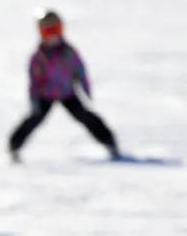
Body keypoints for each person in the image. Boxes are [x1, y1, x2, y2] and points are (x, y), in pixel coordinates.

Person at [8, 10, 121, 163]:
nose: (52, 36)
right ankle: (14, 146)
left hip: (67, 93)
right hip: (45, 95)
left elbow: (80, 71)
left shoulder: (69, 52)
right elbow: (34, 81)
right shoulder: (38, 57)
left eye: (56, 30)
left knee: (84, 115)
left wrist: (85, 89)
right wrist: (34, 99)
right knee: (35, 118)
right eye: (48, 31)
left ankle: (109, 142)